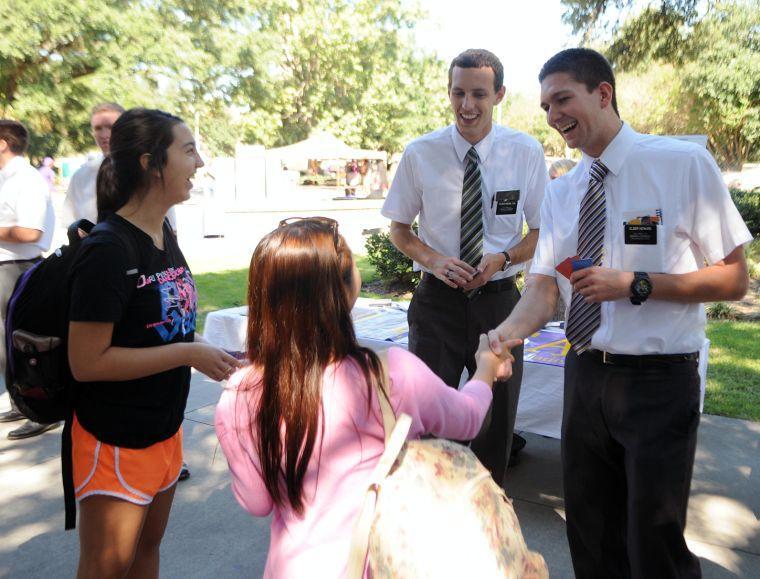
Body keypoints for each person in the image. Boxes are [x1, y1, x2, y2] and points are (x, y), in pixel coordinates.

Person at [488, 48, 751, 578]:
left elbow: (733, 278)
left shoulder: (681, 164)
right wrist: (501, 335)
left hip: (658, 382)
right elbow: (543, 291)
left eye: (563, 99)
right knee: (590, 533)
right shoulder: (563, 192)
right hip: (583, 377)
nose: (553, 115)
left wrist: (636, 283)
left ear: (603, 93)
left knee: (654, 544)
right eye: (543, 107)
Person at [215, 217, 519, 578]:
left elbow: (256, 501)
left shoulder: (239, 393)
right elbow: (467, 417)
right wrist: (486, 370)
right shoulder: (391, 375)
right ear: (345, 291)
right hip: (384, 564)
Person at [68, 108, 240, 578]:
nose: (199, 162)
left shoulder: (163, 231)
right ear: (150, 163)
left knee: (146, 555)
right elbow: (86, 362)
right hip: (116, 439)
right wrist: (188, 353)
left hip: (164, 431)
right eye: (188, 150)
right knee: (107, 568)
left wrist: (207, 348)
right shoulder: (107, 250)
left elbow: (164, 328)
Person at [381, 48, 548, 484]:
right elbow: (399, 229)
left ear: (499, 95)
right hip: (437, 305)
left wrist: (506, 257)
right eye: (458, 93)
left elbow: (542, 231)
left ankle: (488, 507)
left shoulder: (525, 152)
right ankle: (427, 503)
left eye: (478, 94)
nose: (466, 105)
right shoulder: (421, 152)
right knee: (427, 415)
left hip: (500, 308)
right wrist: (433, 260)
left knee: (495, 419)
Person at [0, 120, 57, 440]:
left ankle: (39, 410)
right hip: (6, 266)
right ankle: (19, 402)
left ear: (3, 143)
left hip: (19, 268)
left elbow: (31, 232)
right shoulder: (7, 178)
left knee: (23, 344)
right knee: (5, 344)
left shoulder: (25, 180)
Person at [63, 103, 125, 225]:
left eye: (110, 127)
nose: (104, 134)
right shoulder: (81, 176)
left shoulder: (147, 172)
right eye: (98, 128)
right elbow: (71, 222)